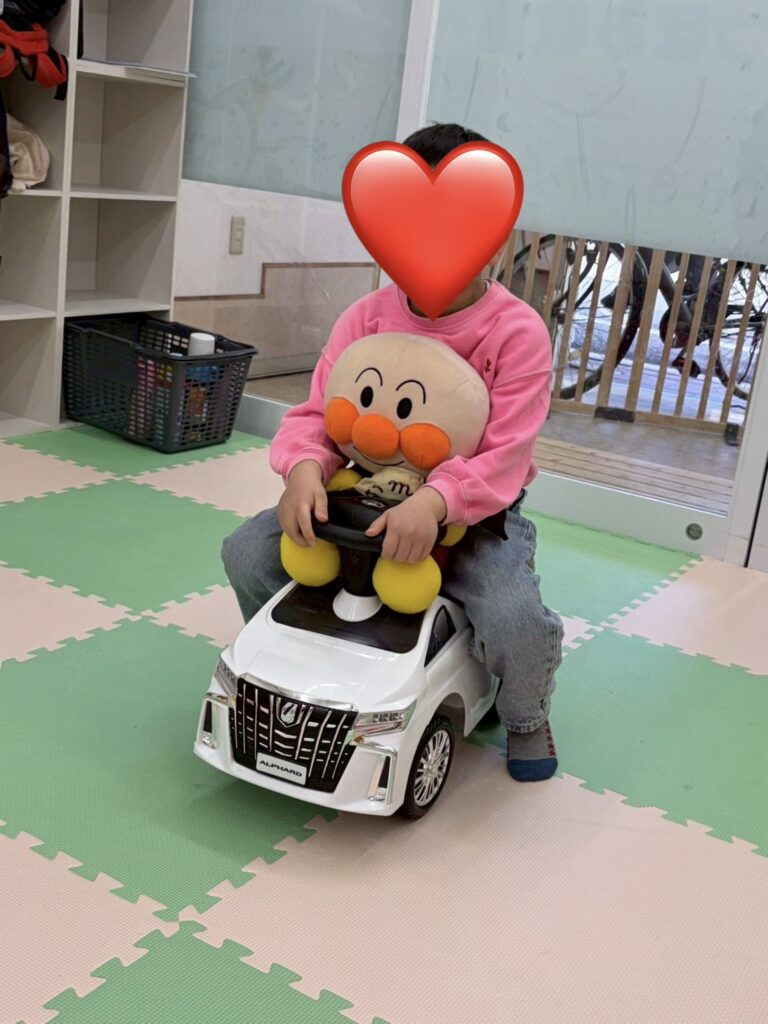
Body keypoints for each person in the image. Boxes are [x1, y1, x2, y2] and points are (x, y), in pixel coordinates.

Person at [222, 122, 564, 783]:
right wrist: (302, 472)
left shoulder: (516, 332)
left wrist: (435, 503)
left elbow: (505, 456)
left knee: (512, 616)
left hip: (474, 515)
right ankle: (303, 663)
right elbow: (317, 416)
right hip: (360, 494)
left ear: (492, 239)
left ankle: (525, 714)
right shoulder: (366, 318)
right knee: (246, 552)